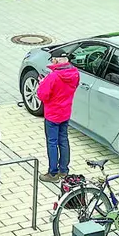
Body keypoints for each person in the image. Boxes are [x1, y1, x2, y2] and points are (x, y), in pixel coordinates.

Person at [36, 53, 80, 182]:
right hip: (65, 112)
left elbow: (42, 95)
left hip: (52, 114)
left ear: (55, 60)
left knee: (52, 143)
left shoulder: (53, 76)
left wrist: (42, 83)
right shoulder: (75, 73)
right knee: (64, 140)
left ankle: (53, 173)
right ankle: (64, 170)